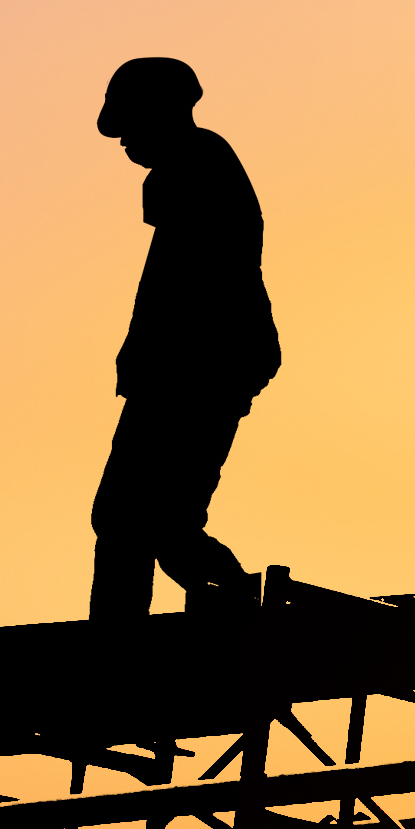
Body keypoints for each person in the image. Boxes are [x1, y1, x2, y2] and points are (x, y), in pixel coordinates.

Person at [92, 55, 278, 619]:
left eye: (130, 126)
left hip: (197, 369)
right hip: (198, 367)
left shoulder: (195, 168)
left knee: (132, 519)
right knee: (154, 524)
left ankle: (123, 651)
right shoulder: (198, 165)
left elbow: (182, 283)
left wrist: (146, 359)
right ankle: (235, 614)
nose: (122, 141)